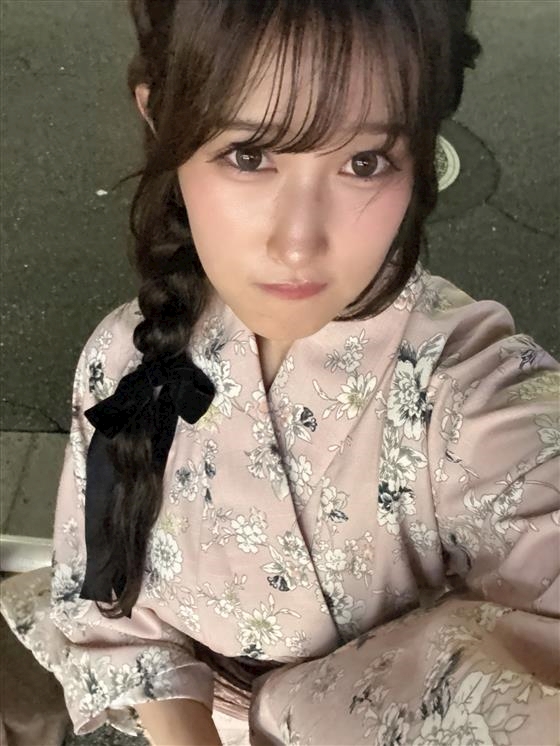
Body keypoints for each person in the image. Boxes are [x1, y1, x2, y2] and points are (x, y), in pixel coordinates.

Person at [1, 0, 559, 744]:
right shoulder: (124, 359)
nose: (299, 243)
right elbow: (108, 602)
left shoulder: (464, 392)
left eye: (364, 162)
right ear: (161, 121)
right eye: (250, 155)